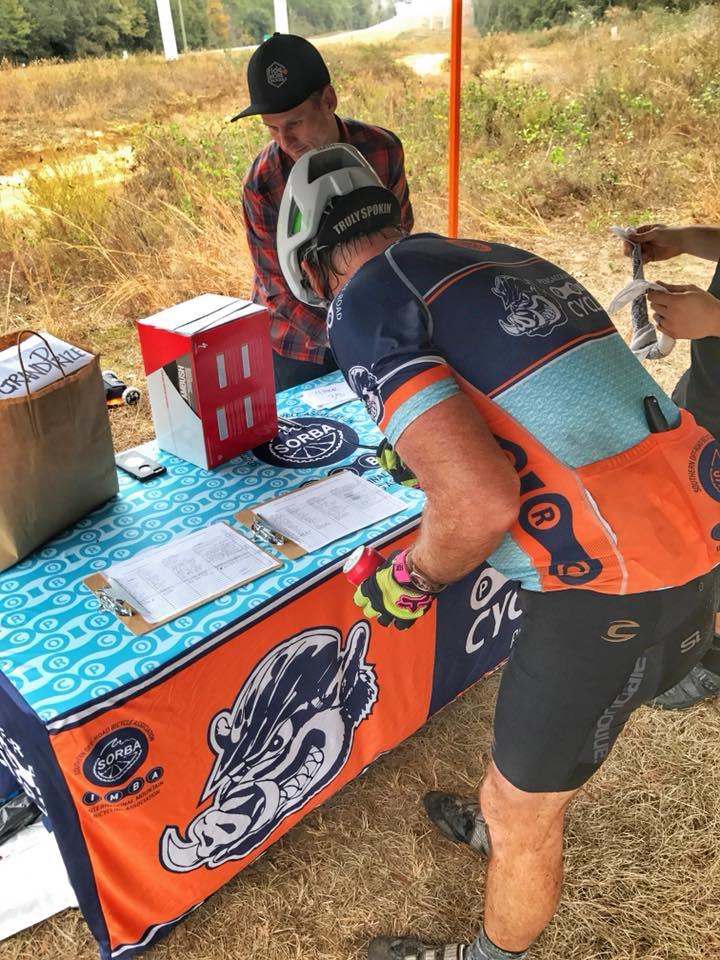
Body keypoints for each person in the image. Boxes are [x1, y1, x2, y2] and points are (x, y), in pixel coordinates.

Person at [276, 145, 720, 960]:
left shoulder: (361, 303)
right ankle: (510, 814)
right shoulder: (487, 253)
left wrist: (410, 580)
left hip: (608, 590)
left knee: (527, 811)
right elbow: (541, 396)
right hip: (692, 532)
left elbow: (478, 502)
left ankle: (488, 936)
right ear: (391, 216)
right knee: (535, 770)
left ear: (309, 267)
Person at [233, 32, 414, 391]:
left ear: (328, 100)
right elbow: (276, 289)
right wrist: (346, 336)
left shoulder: (382, 149)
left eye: (295, 123)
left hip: (373, 326)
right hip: (298, 347)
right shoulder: (263, 183)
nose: (285, 141)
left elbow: (400, 236)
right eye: (272, 128)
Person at [622, 224, 720, 709]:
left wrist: (717, 319)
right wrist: (686, 240)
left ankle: (713, 660)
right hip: (707, 393)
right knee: (693, 522)